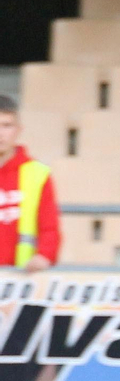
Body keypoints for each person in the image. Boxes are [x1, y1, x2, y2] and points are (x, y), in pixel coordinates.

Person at [0, 96, 60, 274]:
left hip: (20, 279)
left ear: (19, 130)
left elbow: (49, 227)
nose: (0, 133)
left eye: (6, 125)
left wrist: (44, 255)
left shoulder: (37, 173)